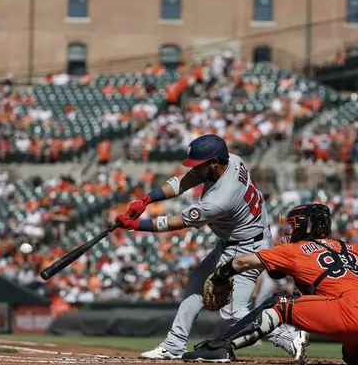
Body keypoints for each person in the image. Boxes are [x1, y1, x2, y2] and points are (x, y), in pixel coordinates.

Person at [115, 134, 307, 360]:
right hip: (239, 240)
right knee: (197, 280)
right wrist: (147, 199)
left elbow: (176, 222)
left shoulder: (220, 199)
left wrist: (137, 225)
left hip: (246, 248)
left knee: (236, 311)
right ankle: (174, 344)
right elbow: (184, 181)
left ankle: (289, 338)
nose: (195, 168)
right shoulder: (231, 160)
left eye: (200, 163)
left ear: (214, 163)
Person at [181, 203, 358, 365]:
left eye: (292, 225)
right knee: (354, 356)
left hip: (352, 311)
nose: (289, 231)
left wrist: (220, 274)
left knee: (280, 303)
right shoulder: (349, 247)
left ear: (303, 226)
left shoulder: (296, 249)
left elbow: (242, 263)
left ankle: (221, 347)